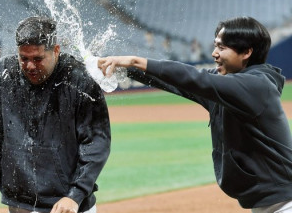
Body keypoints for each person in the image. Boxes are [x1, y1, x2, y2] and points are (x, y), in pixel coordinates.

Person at [98, 16, 292, 213]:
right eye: (216, 45)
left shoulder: (257, 87)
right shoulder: (227, 85)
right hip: (268, 204)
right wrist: (126, 70)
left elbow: (196, 78)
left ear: (246, 52)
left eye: (222, 48)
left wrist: (134, 61)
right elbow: (179, 82)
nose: (214, 53)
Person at [0, 16, 111, 213]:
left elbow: (96, 143)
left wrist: (75, 195)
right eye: (23, 58)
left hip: (67, 205)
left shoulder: (80, 80)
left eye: (37, 59)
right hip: (19, 204)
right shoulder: (3, 73)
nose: (30, 66)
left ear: (56, 51)